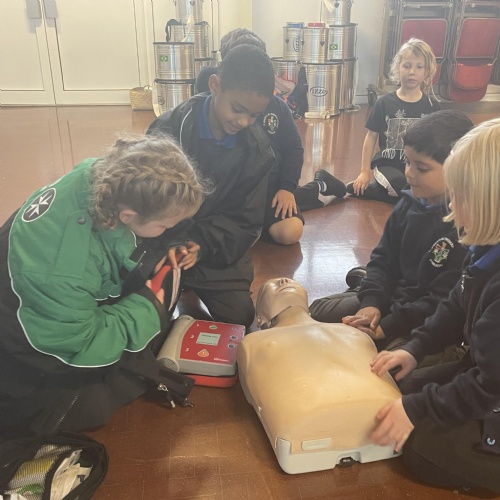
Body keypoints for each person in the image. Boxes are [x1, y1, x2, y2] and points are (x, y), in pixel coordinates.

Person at [0, 134, 207, 434]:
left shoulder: (102, 175)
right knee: (96, 400)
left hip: (43, 291)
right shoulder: (64, 268)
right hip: (32, 342)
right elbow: (78, 344)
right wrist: (149, 305)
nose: (169, 230)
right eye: (164, 225)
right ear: (128, 216)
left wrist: (173, 242)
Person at [370, 118, 500, 494]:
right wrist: (415, 348)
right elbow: (456, 304)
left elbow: (491, 387)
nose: (451, 206)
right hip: (487, 373)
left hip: (494, 388)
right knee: (406, 387)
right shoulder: (484, 249)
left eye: (459, 197)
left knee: (420, 447)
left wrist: (417, 411)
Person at [310, 110, 474, 360]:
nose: (409, 173)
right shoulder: (407, 203)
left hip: (423, 319)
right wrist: (371, 303)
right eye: (407, 162)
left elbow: (441, 302)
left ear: (459, 169)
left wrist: (386, 326)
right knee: (319, 310)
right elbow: (383, 258)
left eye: (421, 168)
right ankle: (364, 287)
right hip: (391, 297)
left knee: (387, 365)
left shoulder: (465, 225)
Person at [147, 44, 279, 327]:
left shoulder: (258, 152)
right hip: (163, 244)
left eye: (254, 115)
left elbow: (245, 222)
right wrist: (173, 243)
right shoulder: (168, 130)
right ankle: (177, 286)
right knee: (148, 322)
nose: (244, 122)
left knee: (240, 317)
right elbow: (146, 201)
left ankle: (192, 282)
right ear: (215, 85)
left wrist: (201, 244)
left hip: (214, 250)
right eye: (238, 109)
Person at [196, 28, 347, 246]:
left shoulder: (276, 107)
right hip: (230, 192)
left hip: (268, 189)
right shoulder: (212, 105)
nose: (244, 120)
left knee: (289, 232)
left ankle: (319, 187)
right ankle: (315, 188)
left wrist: (286, 188)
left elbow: (293, 149)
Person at [237, 277, 402, 471]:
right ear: (260, 319)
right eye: (271, 286)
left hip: (391, 415)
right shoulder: (252, 343)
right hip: (306, 426)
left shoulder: (354, 332)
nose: (283, 281)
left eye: (289, 281)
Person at [347, 38, 441, 204]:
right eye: (407, 66)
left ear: (427, 72)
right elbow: (371, 137)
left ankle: (374, 192)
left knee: (425, 188)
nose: (412, 72)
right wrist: (364, 172)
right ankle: (403, 196)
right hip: (387, 164)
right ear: (398, 68)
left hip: (416, 166)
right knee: (401, 185)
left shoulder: (432, 106)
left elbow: (437, 143)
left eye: (419, 67)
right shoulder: (384, 103)